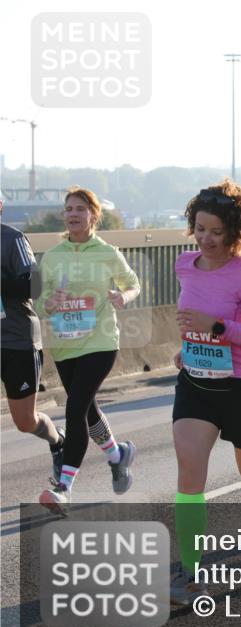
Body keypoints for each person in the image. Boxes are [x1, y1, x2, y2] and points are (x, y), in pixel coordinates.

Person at [169, 180, 241, 604]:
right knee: (189, 475)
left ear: (235, 231)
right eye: (200, 228)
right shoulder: (184, 264)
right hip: (197, 385)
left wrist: (216, 328)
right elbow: (191, 320)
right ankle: (191, 573)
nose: (206, 239)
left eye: (216, 231)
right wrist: (188, 349)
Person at [37, 187, 140, 516]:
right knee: (87, 410)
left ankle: (64, 487)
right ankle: (117, 455)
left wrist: (124, 297)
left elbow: (132, 283)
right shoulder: (52, 256)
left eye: (80, 209)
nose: (73, 214)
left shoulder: (108, 252)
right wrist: (48, 302)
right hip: (66, 344)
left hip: (100, 341)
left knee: (75, 407)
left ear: (93, 216)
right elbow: (38, 298)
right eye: (68, 209)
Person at [1, 208, 66, 480]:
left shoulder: (12, 239)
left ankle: (58, 442)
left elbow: (35, 285)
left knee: (25, 421)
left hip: (17, 341)